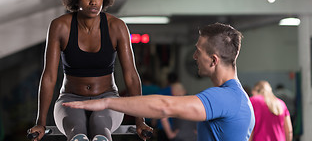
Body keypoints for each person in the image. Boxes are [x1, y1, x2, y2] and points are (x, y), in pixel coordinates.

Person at [63, 23, 255, 141]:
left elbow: (164, 106)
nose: (195, 56)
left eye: (199, 51)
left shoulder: (226, 97)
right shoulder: (236, 96)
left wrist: (106, 102)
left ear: (213, 60)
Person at [27, 0, 152, 141]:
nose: (94, 2)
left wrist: (140, 120)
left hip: (108, 98)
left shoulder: (116, 27)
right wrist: (40, 122)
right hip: (70, 98)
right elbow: (49, 77)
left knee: (101, 132)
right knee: (78, 135)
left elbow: (131, 75)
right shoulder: (60, 26)